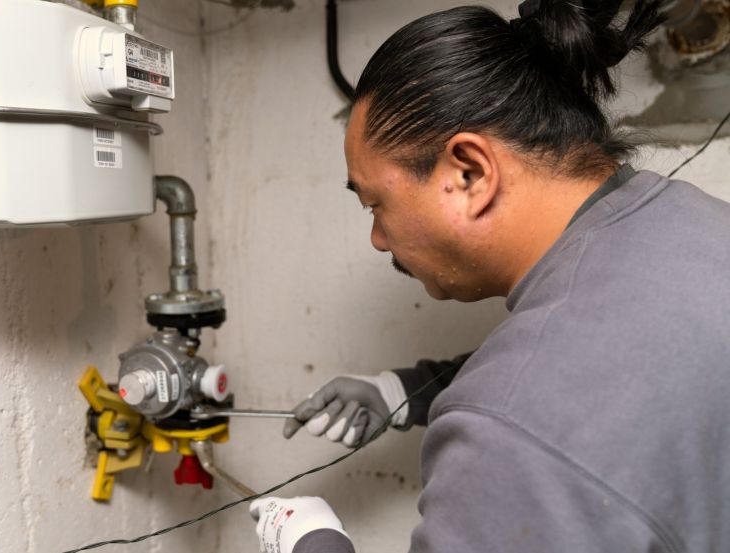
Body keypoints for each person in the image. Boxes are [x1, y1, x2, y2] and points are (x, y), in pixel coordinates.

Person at [248, 1, 730, 552]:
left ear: (469, 173)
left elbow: (542, 407)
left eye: (374, 204)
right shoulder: (690, 223)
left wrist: (312, 543)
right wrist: (403, 391)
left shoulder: (511, 428)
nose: (378, 239)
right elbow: (618, 368)